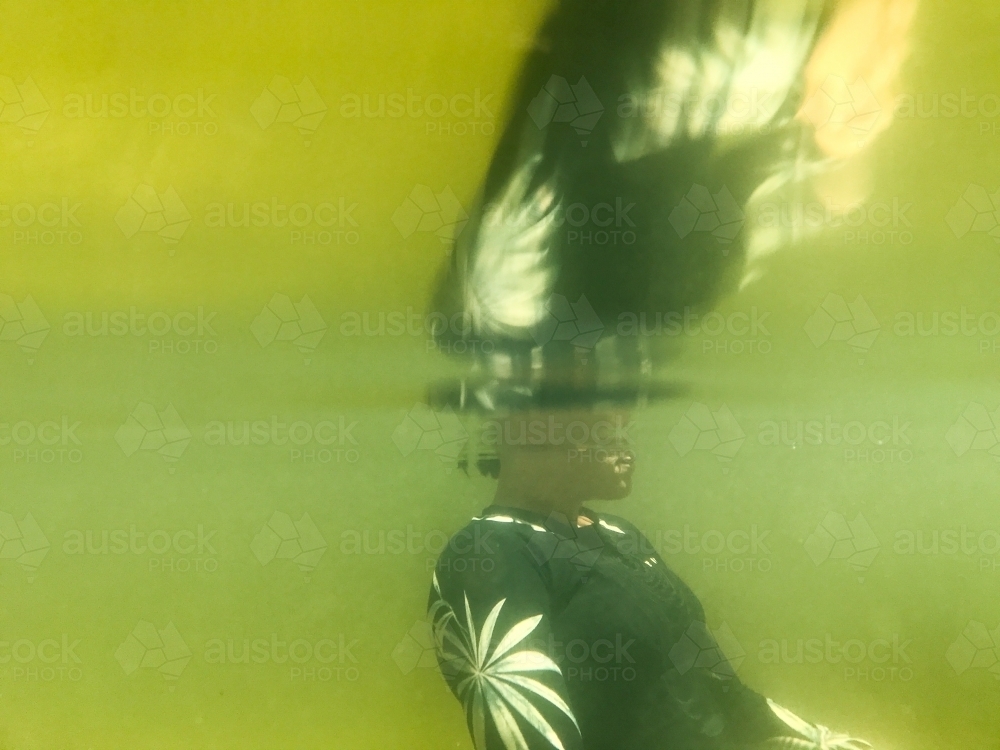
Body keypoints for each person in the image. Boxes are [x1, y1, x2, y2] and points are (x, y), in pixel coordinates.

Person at [424, 1, 916, 747]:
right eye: (604, 395)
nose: (624, 414)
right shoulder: (491, 548)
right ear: (528, 417)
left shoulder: (617, 536)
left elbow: (724, 701)